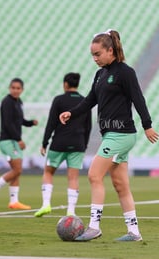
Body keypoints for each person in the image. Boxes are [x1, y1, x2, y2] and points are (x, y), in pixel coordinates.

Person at [59, 29, 159, 242]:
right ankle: (134, 232)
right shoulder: (100, 74)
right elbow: (89, 101)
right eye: (92, 55)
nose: (94, 59)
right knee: (120, 185)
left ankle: (94, 227)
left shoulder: (125, 72)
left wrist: (147, 125)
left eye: (97, 54)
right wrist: (72, 112)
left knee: (94, 175)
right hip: (112, 135)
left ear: (110, 50)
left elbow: (138, 99)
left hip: (121, 134)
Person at [34, 73, 92, 217]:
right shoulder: (84, 101)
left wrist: (44, 143)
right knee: (73, 178)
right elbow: (88, 126)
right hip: (78, 143)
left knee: (48, 172)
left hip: (59, 143)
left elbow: (51, 123)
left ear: (65, 84)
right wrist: (84, 144)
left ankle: (46, 204)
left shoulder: (59, 100)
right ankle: (71, 211)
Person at [0, 78, 38, 210]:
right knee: (17, 169)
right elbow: (8, 123)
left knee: (17, 171)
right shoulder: (7, 102)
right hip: (7, 140)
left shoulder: (18, 102)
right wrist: (19, 139)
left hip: (13, 140)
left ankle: (14, 201)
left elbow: (19, 120)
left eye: (18, 88)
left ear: (22, 90)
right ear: (10, 88)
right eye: (13, 88)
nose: (15, 90)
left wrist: (30, 123)